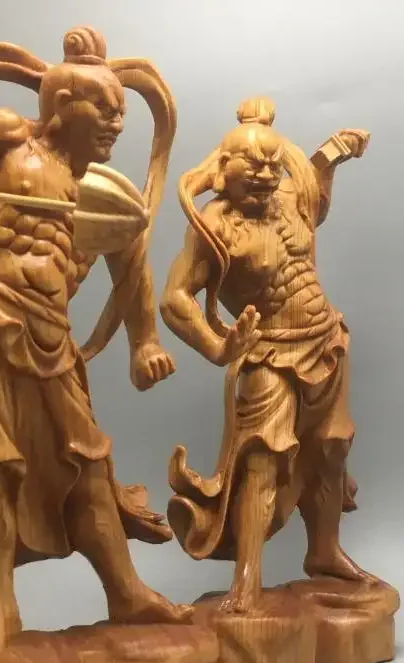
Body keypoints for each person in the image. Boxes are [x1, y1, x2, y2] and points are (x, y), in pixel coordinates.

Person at [0, 27, 191, 663]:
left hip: (50, 335)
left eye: (121, 111)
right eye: (103, 109)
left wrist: (144, 342)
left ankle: (127, 592)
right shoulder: (9, 135)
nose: (116, 123)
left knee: (87, 463)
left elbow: (132, 271)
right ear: (60, 106)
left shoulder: (105, 197)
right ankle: (0, 605)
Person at [160, 96, 374, 613]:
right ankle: (247, 580)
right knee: (262, 458)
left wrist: (332, 155)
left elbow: (316, 200)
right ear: (222, 170)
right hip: (270, 353)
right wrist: (218, 346)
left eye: (272, 165)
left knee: (331, 449)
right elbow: (173, 299)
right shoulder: (214, 226)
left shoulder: (287, 199)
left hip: (326, 339)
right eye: (251, 166)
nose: (264, 175)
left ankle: (324, 552)